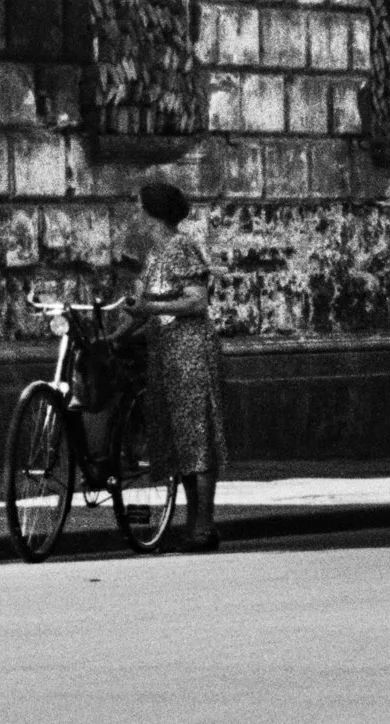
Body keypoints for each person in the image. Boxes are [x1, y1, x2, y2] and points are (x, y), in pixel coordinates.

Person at [126, 181, 228, 552]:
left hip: (190, 354)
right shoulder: (157, 255)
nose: (135, 217)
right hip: (168, 356)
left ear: (152, 214)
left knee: (197, 438)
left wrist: (150, 309)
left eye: (139, 209)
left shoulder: (181, 247)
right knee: (181, 442)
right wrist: (119, 334)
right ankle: (193, 523)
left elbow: (196, 300)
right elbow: (147, 306)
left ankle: (204, 525)